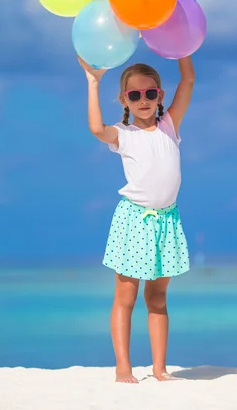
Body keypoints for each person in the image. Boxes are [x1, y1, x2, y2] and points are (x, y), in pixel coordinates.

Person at [78, 55, 195, 383]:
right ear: (124, 100)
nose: (142, 100)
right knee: (126, 297)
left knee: (157, 299)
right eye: (134, 95)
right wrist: (93, 82)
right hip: (135, 222)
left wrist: (182, 49)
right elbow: (96, 129)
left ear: (159, 95)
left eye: (149, 93)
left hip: (167, 222)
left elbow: (187, 82)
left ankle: (160, 369)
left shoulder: (169, 125)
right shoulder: (124, 134)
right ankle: (123, 368)